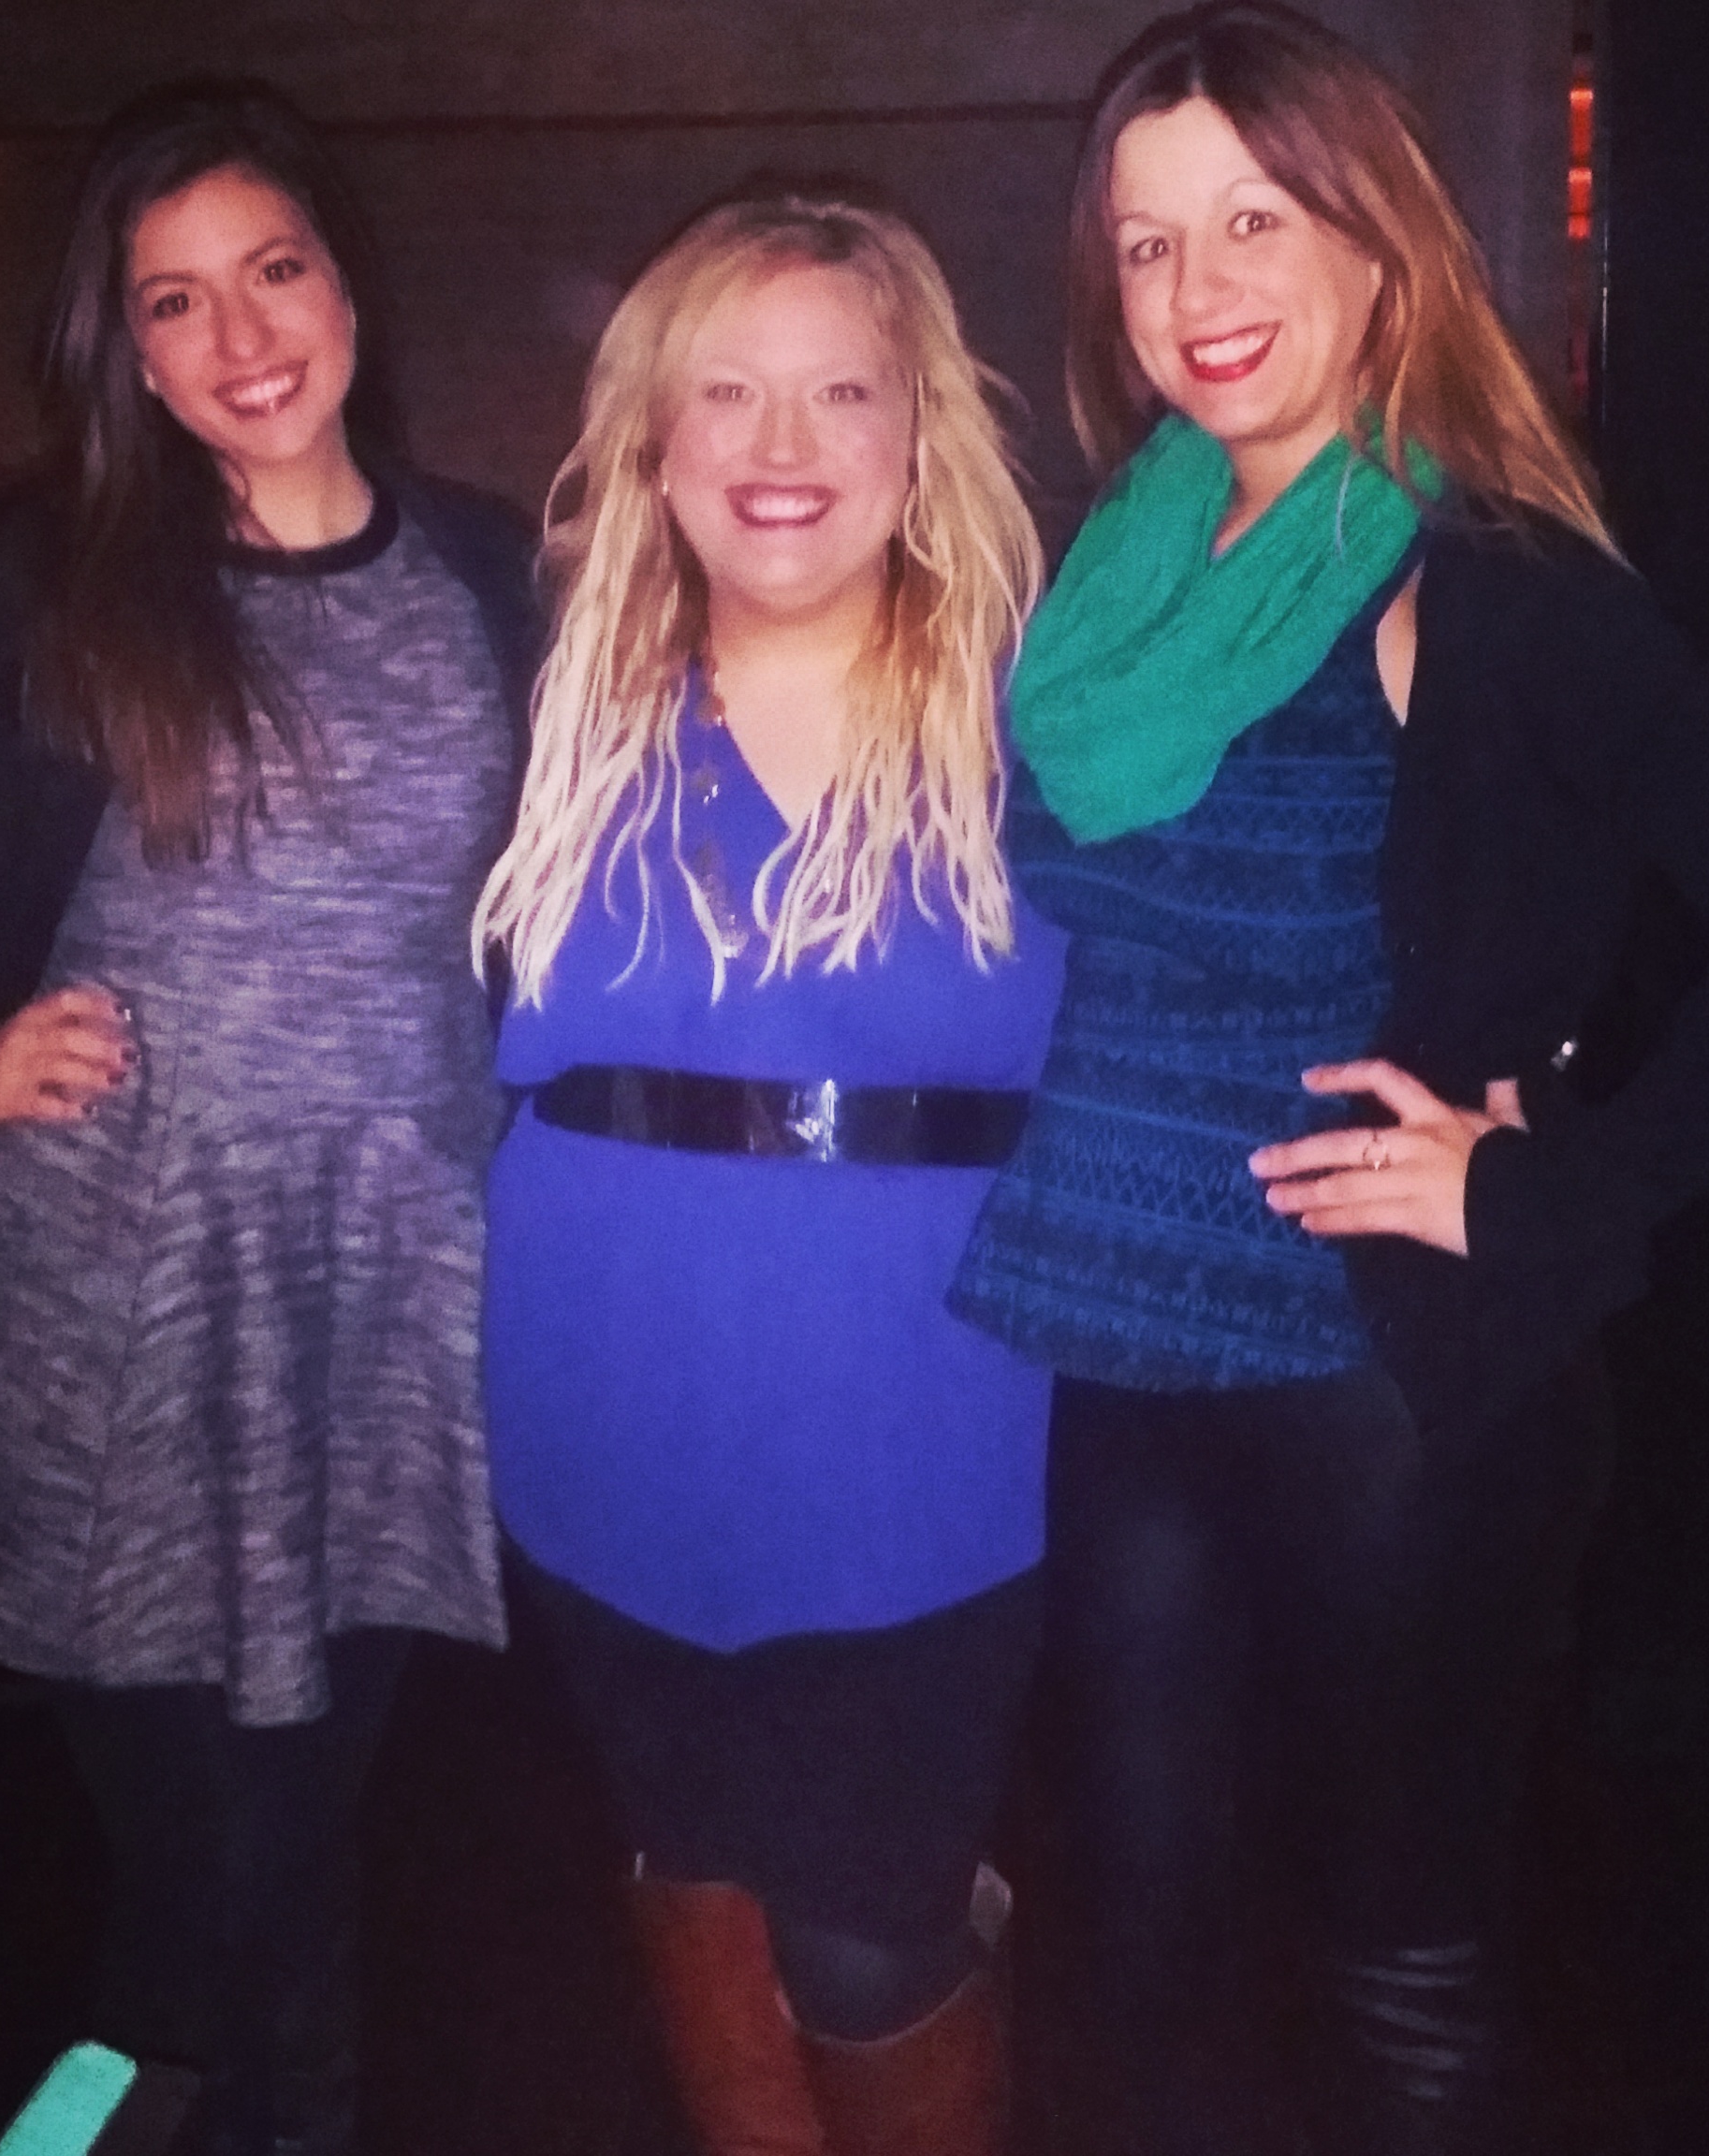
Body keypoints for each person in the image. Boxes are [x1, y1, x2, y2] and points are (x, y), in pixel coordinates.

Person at [945, 7, 1709, 2151]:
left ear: (1380, 243)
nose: (1197, 286)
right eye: (1148, 241)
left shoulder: (1491, 579)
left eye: (1256, 219)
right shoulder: (1118, 570)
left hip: (1381, 1387)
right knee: (1140, 1934)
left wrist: (1552, 1183)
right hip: (1116, 1340)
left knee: (1400, 1948)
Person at [0, 80, 540, 2156]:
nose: (242, 338)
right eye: (175, 302)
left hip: (386, 1315)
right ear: (126, 349)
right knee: (209, 1903)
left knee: (303, 1885)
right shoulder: (41, 573)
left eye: (275, 270)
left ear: (346, 283)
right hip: (116, 1325)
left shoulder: (492, 566)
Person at [473, 192, 1062, 2156]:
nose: (783, 445)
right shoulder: (557, 700)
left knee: (871, 1931)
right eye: (726, 392)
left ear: (918, 434)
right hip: (599, 1403)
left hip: (920, 1426)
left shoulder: (1050, 721)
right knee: (692, 1855)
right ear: (654, 440)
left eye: (840, 392)